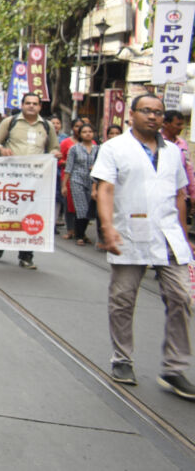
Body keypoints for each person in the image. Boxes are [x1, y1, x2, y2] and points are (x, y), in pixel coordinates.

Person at [93, 94, 195, 400]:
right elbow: (105, 189)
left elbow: (180, 194)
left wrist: (184, 234)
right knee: (123, 299)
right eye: (146, 111)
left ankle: (174, 367)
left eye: (158, 112)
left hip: (168, 234)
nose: (153, 116)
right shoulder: (114, 148)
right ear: (132, 114)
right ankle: (122, 359)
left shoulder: (173, 152)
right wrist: (108, 227)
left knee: (181, 296)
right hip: (130, 232)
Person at [0, 93, 58, 269]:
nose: (31, 106)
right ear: (22, 105)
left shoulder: (47, 126)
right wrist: (1, 150)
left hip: (35, 181)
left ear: (40, 107)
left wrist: (54, 154)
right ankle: (0, 243)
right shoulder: (10, 122)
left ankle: (26, 256)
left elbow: (53, 148)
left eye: (35, 103)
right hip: (11, 179)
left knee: (31, 217)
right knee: (9, 213)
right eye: (28, 103)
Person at [62, 122, 98, 246]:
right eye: (84, 132)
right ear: (80, 134)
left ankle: (82, 232)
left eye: (90, 132)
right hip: (77, 180)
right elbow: (69, 167)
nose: (87, 134)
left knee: (89, 209)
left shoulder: (98, 149)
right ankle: (79, 235)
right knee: (81, 207)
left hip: (92, 181)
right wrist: (64, 185)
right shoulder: (74, 148)